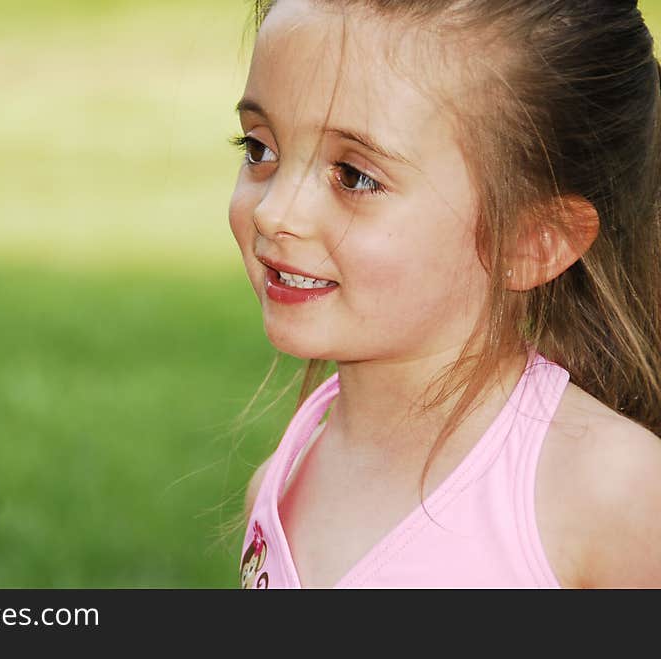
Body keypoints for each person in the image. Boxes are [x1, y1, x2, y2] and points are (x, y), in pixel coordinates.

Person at [228, 0, 661, 588]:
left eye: (354, 176)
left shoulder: (611, 497)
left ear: (532, 242)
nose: (276, 214)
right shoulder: (283, 479)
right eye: (260, 150)